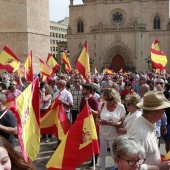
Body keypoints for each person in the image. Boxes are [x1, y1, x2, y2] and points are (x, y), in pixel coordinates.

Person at [127, 91, 170, 169]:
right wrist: (159, 167)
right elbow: (132, 166)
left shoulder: (145, 123)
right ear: (157, 111)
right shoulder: (140, 134)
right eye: (164, 110)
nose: (164, 112)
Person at [96, 88, 126, 170]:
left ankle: (116, 168)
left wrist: (110, 123)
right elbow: (97, 118)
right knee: (102, 154)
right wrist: (100, 121)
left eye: (111, 99)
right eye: (107, 99)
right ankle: (101, 168)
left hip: (114, 134)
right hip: (102, 132)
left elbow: (121, 122)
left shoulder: (121, 107)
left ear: (115, 98)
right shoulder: (102, 104)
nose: (108, 101)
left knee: (114, 154)